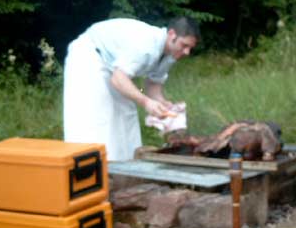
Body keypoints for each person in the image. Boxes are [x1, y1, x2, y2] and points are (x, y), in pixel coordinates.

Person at [63, 16, 200, 161]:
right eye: (184, 45)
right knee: (100, 118)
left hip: (115, 69)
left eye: (190, 48)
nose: (187, 52)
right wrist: (146, 102)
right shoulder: (146, 45)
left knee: (127, 114)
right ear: (172, 34)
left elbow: (153, 84)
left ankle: (127, 167)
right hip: (89, 55)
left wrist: (163, 105)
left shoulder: (170, 54)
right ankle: (93, 166)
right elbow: (118, 79)